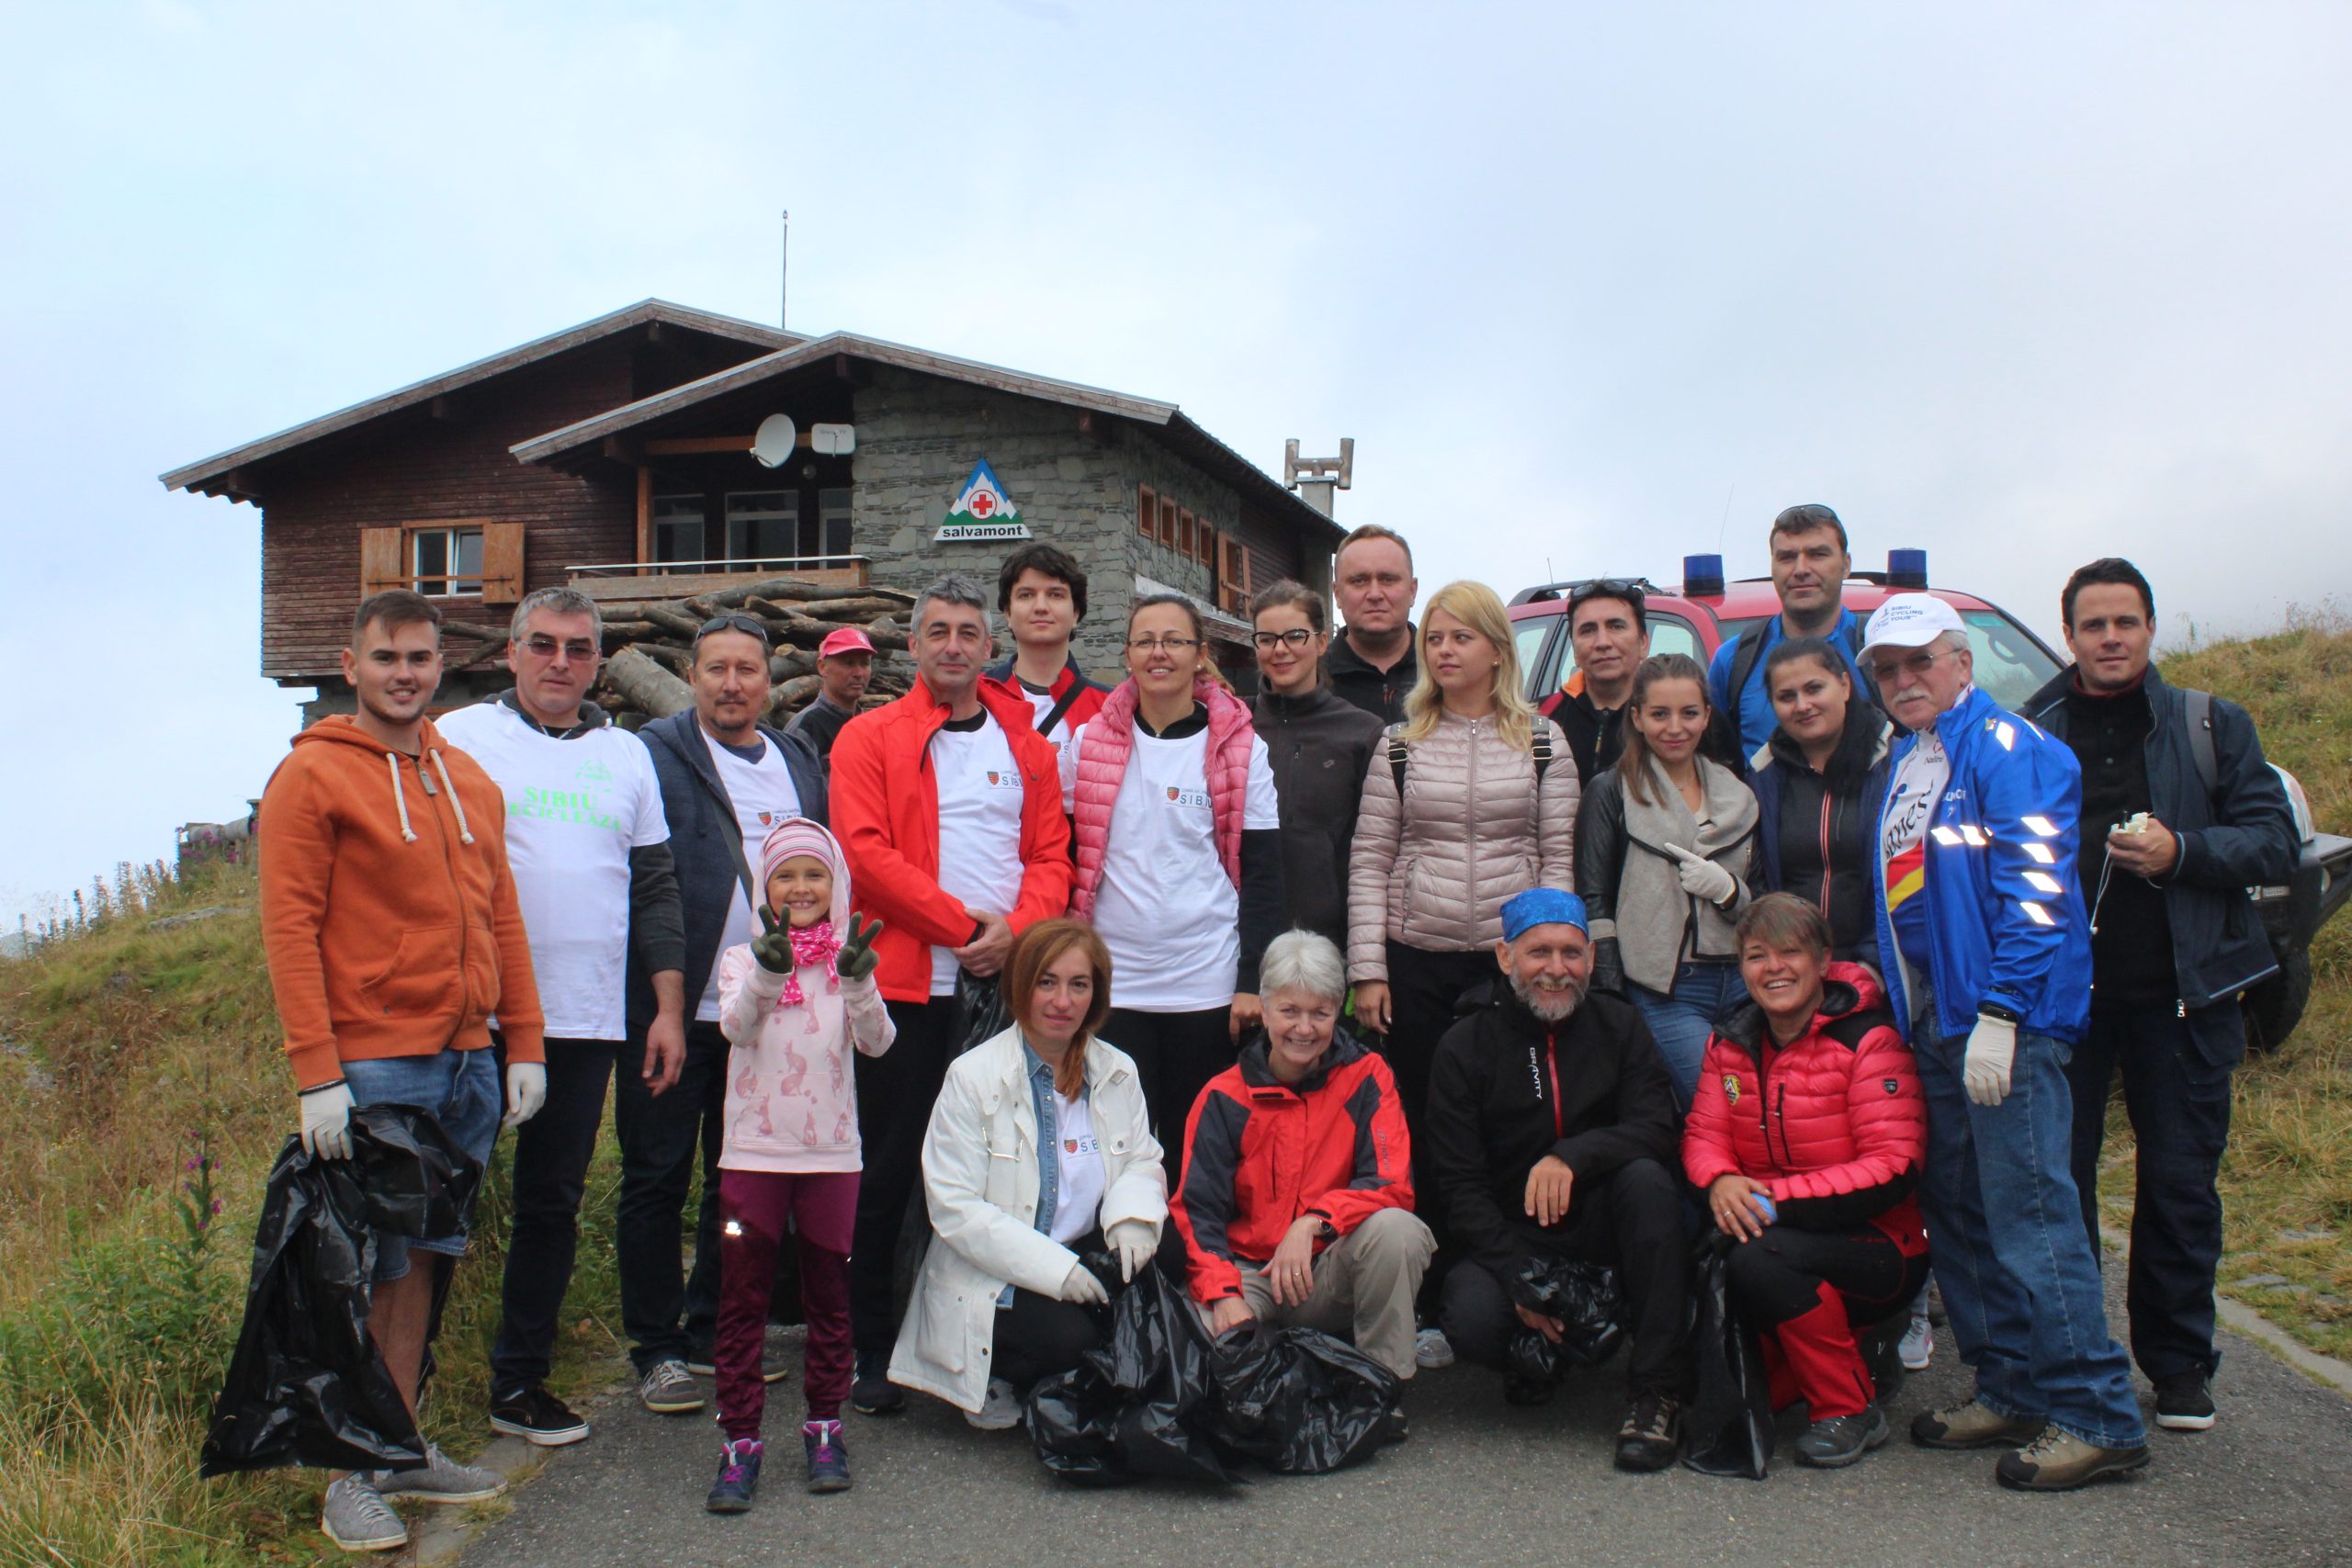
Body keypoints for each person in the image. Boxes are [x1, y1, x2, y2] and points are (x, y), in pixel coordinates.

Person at [257, 591, 546, 1553]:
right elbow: (289, 929)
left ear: (440, 665)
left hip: (466, 1056)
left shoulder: (470, 779)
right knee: (355, 1267)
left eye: (420, 658)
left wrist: (526, 1043)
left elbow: (503, 915)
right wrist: (316, 1073)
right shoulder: (312, 780)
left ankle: (403, 1444)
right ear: (353, 664)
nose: (406, 674)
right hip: (374, 1063)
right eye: (388, 658)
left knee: (426, 1258)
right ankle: (346, 1478)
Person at [1862, 592, 2149, 1490]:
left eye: (1921, 662)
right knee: (1964, 1215)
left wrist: (2002, 1012)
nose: (1906, 680)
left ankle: (2095, 1412)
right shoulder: (1909, 760)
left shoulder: (2013, 752)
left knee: (2030, 1219)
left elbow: (2033, 894)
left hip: (2002, 1029)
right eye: (1888, 668)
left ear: (1961, 663)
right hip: (1934, 1026)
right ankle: (2013, 1385)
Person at [2025, 558, 2297, 1432]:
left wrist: (2185, 853)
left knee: (2179, 1186)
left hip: (2184, 997)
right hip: (2068, 1001)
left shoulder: (2210, 723)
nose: (2111, 638)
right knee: (2060, 1185)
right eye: (2093, 625)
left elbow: (2273, 843)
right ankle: (2069, 1354)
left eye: (2126, 622)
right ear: (2067, 635)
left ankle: (2178, 1362)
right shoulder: (2034, 728)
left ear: (2150, 628)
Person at [435, 587, 687, 1449]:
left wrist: (665, 1005)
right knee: (442, 1203)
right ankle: (404, 1390)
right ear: (510, 650)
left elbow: (654, 885)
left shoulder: (627, 756)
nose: (560, 662)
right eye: (543, 644)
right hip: (473, 1013)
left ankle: (520, 1381)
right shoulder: (461, 736)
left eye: (579, 649)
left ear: (599, 663)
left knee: (552, 1203)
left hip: (583, 1018)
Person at [831, 572, 1074, 1414]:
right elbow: (863, 854)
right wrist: (959, 929)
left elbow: (1054, 855)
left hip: (1002, 986)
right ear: (912, 644)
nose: (954, 646)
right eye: (937, 631)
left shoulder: (1026, 742)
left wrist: (1015, 928)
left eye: (969, 632)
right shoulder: (869, 737)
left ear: (988, 643)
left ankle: (986, 1343)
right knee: (887, 1169)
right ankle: (870, 1345)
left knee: (1000, 1173)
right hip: (904, 989)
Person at [1346, 579, 1578, 1364]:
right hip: (1416, 958)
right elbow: (1372, 857)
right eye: (1435, 639)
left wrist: (1550, 961)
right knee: (1420, 1125)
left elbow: (1558, 861)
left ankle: (1509, 1279)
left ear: (1496, 649)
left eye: (1461, 638)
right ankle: (1430, 1293)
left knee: (1507, 1126)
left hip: (1508, 963)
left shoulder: (1543, 741)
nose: (1444, 651)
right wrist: (1367, 968)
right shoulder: (1400, 742)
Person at [625, 614, 830, 1416]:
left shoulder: (795, 757)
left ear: (769, 683)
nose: (733, 684)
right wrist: (659, 996)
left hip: (766, 1010)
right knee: (656, 1175)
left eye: (748, 669)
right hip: (676, 1003)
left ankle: (710, 1327)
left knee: (734, 1179)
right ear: (691, 673)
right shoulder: (655, 752)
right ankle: (655, 1347)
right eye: (717, 669)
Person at [1423, 888, 1690, 1472]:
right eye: (1538, 952)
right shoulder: (1463, 1045)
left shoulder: (1620, 1024)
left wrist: (1574, 1154)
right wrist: (1523, 1278)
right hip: (1515, 1235)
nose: (1556, 969)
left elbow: (1657, 1127)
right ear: (1504, 956)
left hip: (1604, 1226)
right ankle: (1541, 1352)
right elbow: (1458, 1185)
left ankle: (1655, 1392)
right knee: (1469, 1314)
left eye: (1571, 953)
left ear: (1591, 960)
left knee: (1649, 1184)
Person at [1683, 894, 1931, 1468]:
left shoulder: (1868, 1040)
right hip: (1771, 1229)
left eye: (1790, 953)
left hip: (1882, 1246)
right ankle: (1863, 1352)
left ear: (1823, 961)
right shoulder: (1730, 1042)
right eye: (1756, 956)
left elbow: (1893, 1167)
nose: (1774, 969)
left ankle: (1849, 1406)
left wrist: (1768, 1201)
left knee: (1760, 1260)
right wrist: (1720, 1179)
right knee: (1728, 1389)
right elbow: (1703, 1134)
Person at [1744, 635, 1933, 1371]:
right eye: (1786, 696)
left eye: (1814, 689)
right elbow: (1766, 871)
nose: (1801, 705)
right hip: (1802, 975)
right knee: (1824, 1130)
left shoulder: (1896, 760)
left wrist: (1887, 967)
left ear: (1846, 686)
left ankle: (1909, 1297)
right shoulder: (1766, 770)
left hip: (1884, 971)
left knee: (1896, 1137)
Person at [890, 919, 1165, 1427]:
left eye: (1078, 985)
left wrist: (1131, 1222)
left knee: (1169, 1261)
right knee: (1072, 1343)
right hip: (996, 1271)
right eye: (1047, 982)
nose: (1063, 1001)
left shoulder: (1117, 1069)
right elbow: (957, 1210)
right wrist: (1057, 1272)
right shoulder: (971, 1077)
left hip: (1080, 1248)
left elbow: (1141, 1160)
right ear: (1020, 986)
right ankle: (997, 1375)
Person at [704, 819, 891, 1510]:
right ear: (765, 886)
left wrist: (859, 986)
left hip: (832, 1157)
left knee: (828, 1296)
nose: (802, 887)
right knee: (742, 1299)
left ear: (836, 884)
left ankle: (824, 1425)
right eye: (786, 875)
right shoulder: (740, 959)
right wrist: (769, 969)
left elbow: (877, 1042)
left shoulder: (852, 958)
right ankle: (740, 1437)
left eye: (815, 874)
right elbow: (734, 1026)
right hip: (753, 1153)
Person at [1171, 931, 1430, 1429]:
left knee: (1398, 1229)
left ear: (1340, 1011)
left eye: (1321, 1013)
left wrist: (1315, 1222)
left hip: (1326, 1271)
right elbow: (1195, 1212)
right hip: (1250, 1275)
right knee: (1204, 1360)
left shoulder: (1368, 1076)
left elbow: (1391, 1181)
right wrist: (1224, 1295)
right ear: (1264, 1009)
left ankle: (1381, 1383)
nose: (1305, 1029)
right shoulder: (1222, 1096)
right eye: (1290, 1011)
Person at [1066, 593, 1283, 1151]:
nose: (1158, 653)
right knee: (1115, 1142)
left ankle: (1193, 1241)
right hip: (1116, 981)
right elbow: (1064, 855)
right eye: (1145, 641)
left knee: (1199, 1142)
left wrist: (1249, 980)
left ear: (1201, 655)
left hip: (1203, 980)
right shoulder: (1087, 744)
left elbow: (1263, 875)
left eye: (1174, 641)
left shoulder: (1240, 748)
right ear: (1128, 654)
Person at [1576, 652, 1758, 1109]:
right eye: (1659, 714)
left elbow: (1764, 892)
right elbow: (1595, 897)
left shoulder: (1739, 791)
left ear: (1707, 717)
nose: (1674, 727)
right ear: (1636, 717)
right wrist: (1612, 993)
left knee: (1753, 1102)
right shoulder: (1610, 789)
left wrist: (1729, 891)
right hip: (1663, 989)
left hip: (1743, 981)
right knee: (1723, 1101)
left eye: (1689, 713)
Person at [1249, 580, 1385, 948]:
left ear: (1322, 642)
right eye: (1267, 639)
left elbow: (1374, 852)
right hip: (1239, 933)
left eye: (1295, 636)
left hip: (1327, 939)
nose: (1281, 650)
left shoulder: (1362, 732)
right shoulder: (1233, 723)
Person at [1708, 504, 1875, 756]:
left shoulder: (1877, 652)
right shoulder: (1734, 661)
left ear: (1846, 564)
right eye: (1787, 557)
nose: (1801, 570)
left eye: (1818, 554)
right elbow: (1715, 767)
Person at [984, 540, 1107, 756]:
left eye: (1055, 594)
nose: (1040, 607)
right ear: (1007, 613)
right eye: (1026, 595)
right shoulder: (976, 698)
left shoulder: (1108, 709)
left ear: (1076, 613)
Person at [1325, 524, 1420, 722]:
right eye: (1359, 581)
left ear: (1412, 591)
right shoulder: (1313, 680)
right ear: (1337, 594)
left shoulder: (1446, 673)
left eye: (1388, 579)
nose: (1375, 594)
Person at [782, 626, 876, 766]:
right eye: (849, 663)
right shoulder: (805, 728)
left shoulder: (871, 726)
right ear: (823, 667)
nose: (859, 673)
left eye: (865, 663)